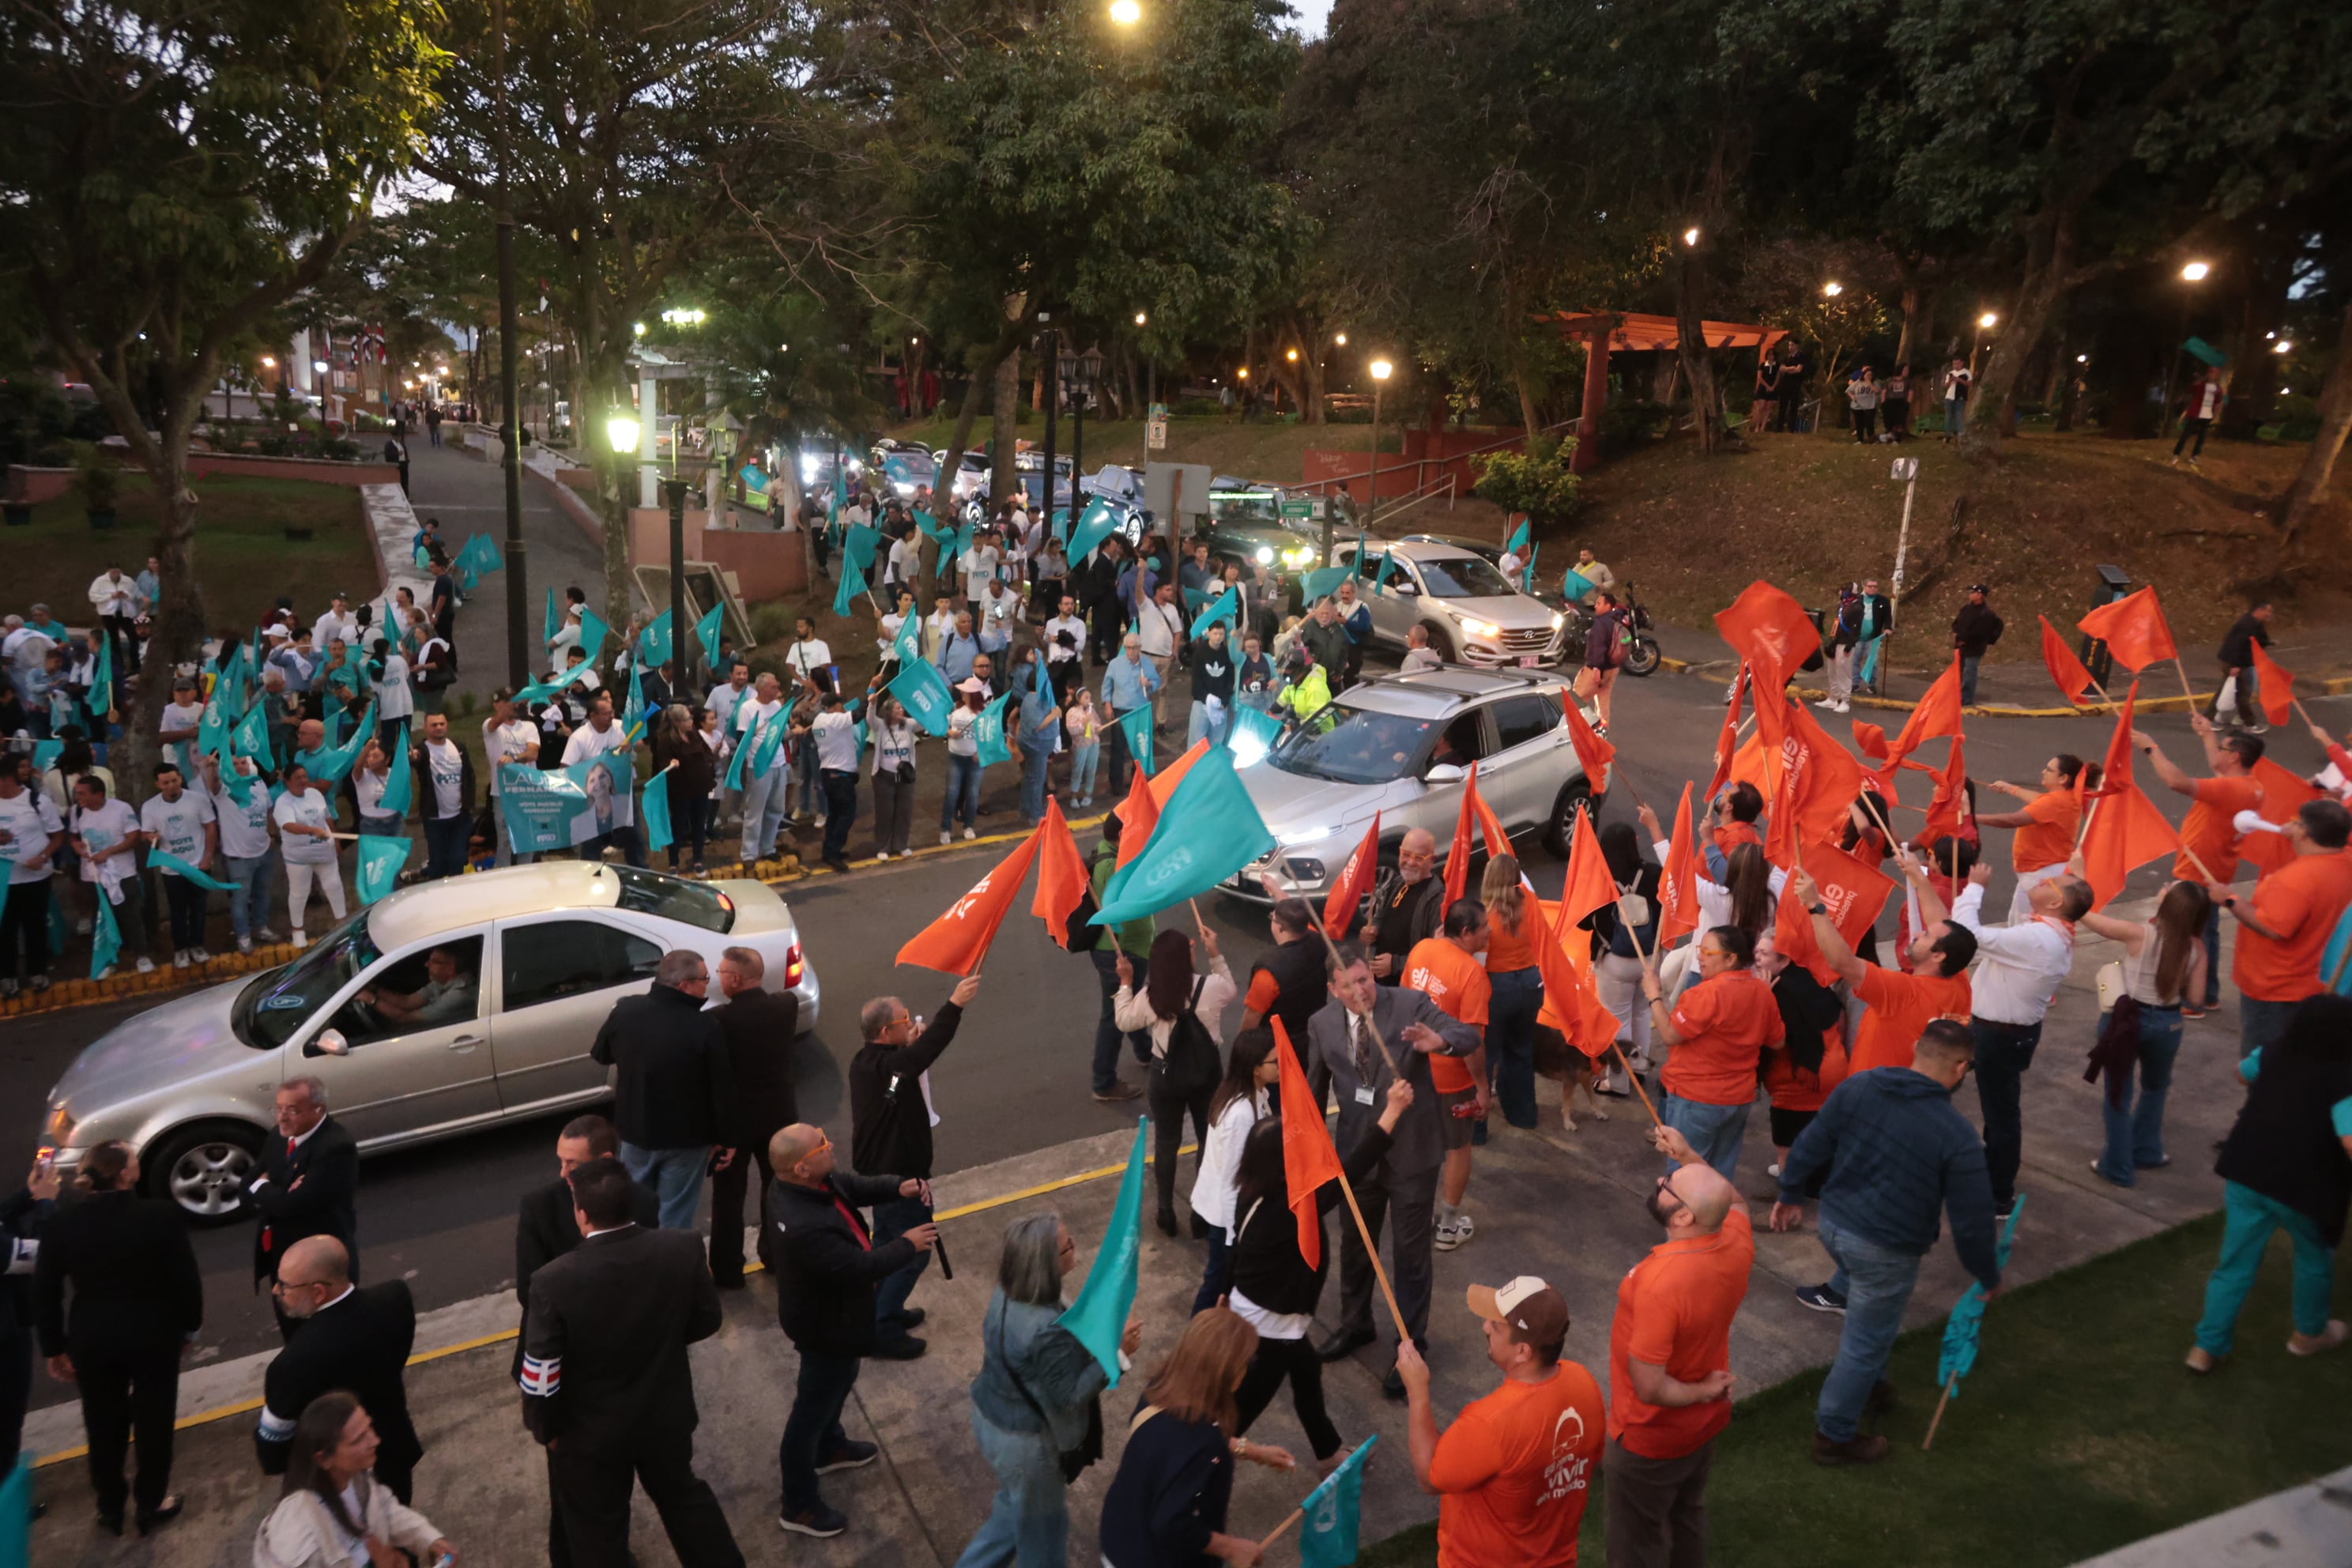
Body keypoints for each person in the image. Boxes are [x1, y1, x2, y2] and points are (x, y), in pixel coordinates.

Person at [1767, 1015, 2000, 1459]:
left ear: (1916, 1049)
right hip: (1885, 1248)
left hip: (1834, 1227)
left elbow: (1813, 1140)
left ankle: (1872, 1386)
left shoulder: (1861, 1086)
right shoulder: (1957, 1135)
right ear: (1961, 1068)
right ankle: (1834, 1435)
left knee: (1871, 1322)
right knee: (1865, 1340)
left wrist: (1791, 1192)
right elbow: (1971, 1220)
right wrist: (1987, 1275)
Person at [519, 1156, 745, 1567]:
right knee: (684, 1499)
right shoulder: (682, 1247)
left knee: (597, 1530)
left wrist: (545, 1428)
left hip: (591, 1435)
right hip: (665, 1416)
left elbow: (541, 1373)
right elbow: (707, 1319)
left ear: (581, 1214)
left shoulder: (553, 1281)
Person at [1308, 943, 1481, 1398]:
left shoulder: (1410, 1004)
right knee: (1355, 1246)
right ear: (1333, 990)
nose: (1361, 991)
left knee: (1410, 1255)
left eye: (1364, 980)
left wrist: (1438, 1042)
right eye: (1349, 986)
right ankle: (1355, 1324)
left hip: (1411, 1154)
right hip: (1359, 1155)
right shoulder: (1321, 1024)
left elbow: (1467, 1035)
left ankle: (1411, 1347)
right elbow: (1313, 1094)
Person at [1227, 1076, 1412, 1473]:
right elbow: (1351, 1171)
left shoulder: (1254, 1191)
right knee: (1238, 1415)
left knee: (1307, 1372)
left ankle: (1328, 1452)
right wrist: (1393, 1111)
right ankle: (1201, 1472)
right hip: (1269, 1328)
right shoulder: (1290, 1208)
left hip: (1270, 1318)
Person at [767, 1122, 937, 1536]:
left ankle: (830, 1446)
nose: (831, 1146)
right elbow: (859, 1266)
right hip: (827, 1329)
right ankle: (798, 1505)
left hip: (838, 1321)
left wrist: (897, 1187)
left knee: (839, 1383)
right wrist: (907, 1244)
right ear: (802, 1168)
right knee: (811, 1410)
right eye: (821, 1145)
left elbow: (850, 1186)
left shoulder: (807, 1185)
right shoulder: (806, 1226)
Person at [33, 1141, 202, 1535]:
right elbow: (185, 1280)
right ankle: (150, 1503)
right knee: (154, 1422)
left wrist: (54, 1347)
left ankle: (109, 1507)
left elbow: (46, 1292)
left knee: (102, 1424)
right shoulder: (160, 1216)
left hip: (92, 1337)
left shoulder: (62, 1224)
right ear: (126, 1173)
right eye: (134, 1158)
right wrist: (189, 1327)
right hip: (153, 1333)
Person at [1605, 1125, 1751, 1568]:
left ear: (1684, 1217)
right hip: (1702, 1428)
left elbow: (1649, 1387)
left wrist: (1704, 1390)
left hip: (1651, 1437)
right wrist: (1687, 1156)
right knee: (1687, 1513)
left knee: (1637, 1543)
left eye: (1668, 1185)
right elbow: (1735, 1201)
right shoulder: (1736, 1240)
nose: (1659, 1180)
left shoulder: (1660, 1284)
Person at [955, 1212, 1135, 1568]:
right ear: (1045, 1265)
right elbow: (1069, 1395)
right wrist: (1117, 1354)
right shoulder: (1045, 1327)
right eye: (1068, 1246)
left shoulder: (1010, 1292)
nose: (1075, 1248)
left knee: (1013, 1512)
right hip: (1026, 1447)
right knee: (1045, 1541)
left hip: (992, 1418)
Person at [2188, 996, 2352, 1370]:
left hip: (2248, 1170)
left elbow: (2242, 1073)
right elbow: (2349, 1140)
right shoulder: (2344, 1077)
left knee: (2234, 1263)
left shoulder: (2275, 1052)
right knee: (2313, 1258)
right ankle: (2309, 1334)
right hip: (2306, 1186)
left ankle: (2206, 1346)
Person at [1395, 1276, 1604, 1568]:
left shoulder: (1489, 1422)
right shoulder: (1584, 1382)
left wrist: (1417, 1391)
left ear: (1523, 1351)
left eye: (1496, 1325)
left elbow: (1431, 1479)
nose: (1485, 1327)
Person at [1947, 859, 2092, 1221]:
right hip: (2003, 1033)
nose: (2041, 883)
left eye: (2049, 884)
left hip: (1997, 1036)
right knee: (1999, 1112)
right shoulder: (2046, 933)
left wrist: (1975, 887)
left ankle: (1997, 1194)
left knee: (2000, 1116)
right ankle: (1990, 1173)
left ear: (2056, 902)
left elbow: (1966, 934)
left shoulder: (2038, 938)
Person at [1099, 1308, 1295, 1568]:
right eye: (1246, 1363)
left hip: (1120, 1534)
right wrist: (1232, 1548)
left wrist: (1252, 1451)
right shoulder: (1204, 1444)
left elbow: (1179, 1448)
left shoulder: (1160, 1390)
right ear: (1228, 1375)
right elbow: (1171, 1522)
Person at [850, 976, 980, 1354]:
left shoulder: (871, 1065)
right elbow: (924, 1054)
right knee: (913, 1252)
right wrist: (954, 1004)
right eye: (904, 1020)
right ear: (885, 1031)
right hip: (900, 1177)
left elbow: (894, 1090)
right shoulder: (891, 1067)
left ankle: (881, 1309)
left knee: (886, 1245)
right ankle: (883, 1328)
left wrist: (909, 1046)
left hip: (882, 1173)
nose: (910, 1023)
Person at [254, 1236, 422, 1502]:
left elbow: (273, 1452)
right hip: (395, 1455)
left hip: (340, 1484)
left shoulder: (292, 1364)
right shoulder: (395, 1298)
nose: (276, 1290)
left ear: (318, 1292)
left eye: (284, 1286)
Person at [2075, 877, 2209, 1187]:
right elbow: (2197, 998)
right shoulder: (2197, 948)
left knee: (2118, 1095)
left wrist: (2077, 883)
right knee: (2156, 1087)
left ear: (2169, 905)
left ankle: (2118, 1167)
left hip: (2129, 1022)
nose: (2164, 886)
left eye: (2169, 888)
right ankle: (2146, 1150)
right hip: (2168, 1024)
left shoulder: (2140, 934)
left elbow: (2090, 918)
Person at [590, 949, 733, 1230]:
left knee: (634, 1209)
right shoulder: (705, 1027)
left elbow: (601, 1054)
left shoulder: (626, 1011)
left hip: (636, 1132)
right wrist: (727, 1138)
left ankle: (638, 1254)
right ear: (685, 985)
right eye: (704, 979)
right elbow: (722, 1089)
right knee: (675, 1214)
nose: (707, 985)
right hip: (688, 1140)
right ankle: (670, 1257)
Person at [1797, 850, 1977, 1074]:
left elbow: (1842, 962)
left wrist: (1815, 905)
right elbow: (1942, 925)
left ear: (1938, 956)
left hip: (1877, 1091)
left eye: (1926, 935)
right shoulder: (1959, 981)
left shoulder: (1902, 993)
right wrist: (1918, 877)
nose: (1918, 934)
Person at [1116, 925, 1238, 1237]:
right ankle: (1201, 1212)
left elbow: (1124, 1020)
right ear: (1187, 958)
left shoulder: (1151, 996)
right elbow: (1230, 988)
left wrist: (1126, 982)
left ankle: (1166, 1211)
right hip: (1206, 1075)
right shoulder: (1210, 987)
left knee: (1167, 1143)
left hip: (1165, 1076)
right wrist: (1214, 952)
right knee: (1207, 1140)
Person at [2207, 798, 2352, 1060]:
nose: (2290, 824)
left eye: (2296, 822)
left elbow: (2272, 928)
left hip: (2276, 989)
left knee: (2265, 1063)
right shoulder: (2344, 861)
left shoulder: (2296, 881)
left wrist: (2230, 900)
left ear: (2305, 832)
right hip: (2317, 983)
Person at [2138, 716, 2263, 1013]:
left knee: (2191, 936)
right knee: (2207, 933)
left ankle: (2194, 998)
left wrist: (2151, 748)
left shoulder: (2231, 789)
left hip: (2198, 871)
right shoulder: (2250, 787)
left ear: (2234, 756)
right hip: (2216, 870)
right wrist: (2208, 736)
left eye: (2222, 748)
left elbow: (2176, 782)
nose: (2217, 752)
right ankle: (2208, 994)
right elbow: (2219, 772)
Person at [1641, 925, 1783, 1183]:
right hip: (1738, 1099)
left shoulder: (1705, 994)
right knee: (1720, 1175)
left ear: (1731, 959)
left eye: (1708, 952)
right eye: (1700, 949)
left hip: (1697, 1098)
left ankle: (1687, 1210)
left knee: (1685, 1177)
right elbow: (1778, 1041)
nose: (1700, 957)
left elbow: (1670, 1034)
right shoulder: (1762, 991)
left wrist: (1654, 996)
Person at [252, 1391, 456, 1568]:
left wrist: (429, 1540)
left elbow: (384, 1509)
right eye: (359, 1439)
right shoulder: (299, 1539)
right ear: (324, 1458)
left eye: (369, 1428)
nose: (375, 1441)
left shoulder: (355, 1478)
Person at [1404, 899, 1494, 1250]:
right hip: (1453, 1082)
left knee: (1419, 1148)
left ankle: (1419, 1215)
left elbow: (1403, 1003)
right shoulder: (1472, 974)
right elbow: (1472, 1042)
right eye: (1485, 926)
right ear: (1467, 932)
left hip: (1415, 1071)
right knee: (1458, 1148)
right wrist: (1482, 1087)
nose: (1490, 931)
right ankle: (1448, 1225)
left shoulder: (1422, 949)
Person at [708, 947, 798, 1287]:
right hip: (780, 1115)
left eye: (721, 973)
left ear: (734, 979)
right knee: (778, 1189)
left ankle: (727, 1270)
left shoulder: (719, 1021)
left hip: (736, 1123)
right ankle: (774, 1256)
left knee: (729, 1198)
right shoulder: (786, 1006)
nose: (718, 978)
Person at [251, 1077, 360, 1340]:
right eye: (278, 1108)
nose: (282, 1117)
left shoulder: (336, 1147)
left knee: (331, 1335)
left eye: (292, 1110)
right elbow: (246, 1186)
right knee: (293, 1332)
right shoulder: (278, 1137)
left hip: (318, 1262)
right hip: (283, 1258)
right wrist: (278, 1192)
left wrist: (264, 1187)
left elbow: (292, 1205)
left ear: (318, 1109)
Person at [1190, 1029, 1280, 1314]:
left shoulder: (1251, 1095)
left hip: (1227, 1214)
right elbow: (1232, 1180)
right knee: (1217, 1285)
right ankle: (1197, 1333)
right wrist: (1234, 1234)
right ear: (1255, 1069)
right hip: (1226, 1220)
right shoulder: (1240, 1115)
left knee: (1220, 1283)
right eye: (1275, 1062)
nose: (1281, 1066)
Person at [1086, 819, 1158, 1102]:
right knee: (1114, 1017)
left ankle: (1145, 1051)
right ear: (1120, 834)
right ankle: (1103, 1083)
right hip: (1121, 953)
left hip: (1127, 949)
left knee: (1133, 999)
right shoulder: (1112, 867)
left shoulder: (1110, 851)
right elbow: (1136, 901)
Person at [1977, 752, 2086, 922]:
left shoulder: (2054, 803)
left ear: (2063, 778)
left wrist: (1972, 818)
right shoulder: (2066, 798)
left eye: (2049, 770)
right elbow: (2039, 799)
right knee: (2019, 921)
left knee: (2025, 924)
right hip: (2045, 870)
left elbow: (2012, 820)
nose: (2043, 772)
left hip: (2041, 872)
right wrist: (2010, 788)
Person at [70, 771, 153, 974]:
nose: (78, 798)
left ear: (98, 794)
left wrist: (108, 852)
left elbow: (133, 838)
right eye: (77, 793)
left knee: (131, 915)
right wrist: (77, 847)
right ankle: (107, 960)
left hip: (123, 873)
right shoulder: (77, 812)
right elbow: (73, 836)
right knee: (101, 918)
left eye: (82, 793)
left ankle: (141, 955)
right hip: (93, 876)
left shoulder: (121, 809)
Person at [0, 754, 66, 995]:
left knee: (34, 926)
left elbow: (58, 836)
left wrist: (43, 857)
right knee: (4, 929)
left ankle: (37, 973)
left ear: (7, 779)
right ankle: (7, 977)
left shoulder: (37, 801)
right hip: (3, 880)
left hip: (34, 879)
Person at [271, 762, 345, 945]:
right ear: (287, 781)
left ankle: (342, 923)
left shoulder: (315, 794)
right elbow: (288, 826)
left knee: (334, 885)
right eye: (298, 778)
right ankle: (297, 930)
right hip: (298, 857)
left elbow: (328, 818)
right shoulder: (283, 802)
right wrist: (311, 830)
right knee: (300, 892)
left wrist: (336, 840)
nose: (303, 780)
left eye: (305, 776)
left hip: (324, 851)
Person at [1360, 827, 1446, 982]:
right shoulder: (1397, 882)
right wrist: (1372, 932)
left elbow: (1436, 954)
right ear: (1400, 852)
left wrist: (1395, 965)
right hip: (1381, 981)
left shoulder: (1437, 899)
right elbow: (1380, 918)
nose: (1410, 862)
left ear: (1432, 860)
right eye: (1406, 854)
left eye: (1419, 858)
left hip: (1408, 986)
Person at [734, 672, 790, 864]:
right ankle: (749, 853)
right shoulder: (748, 708)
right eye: (773, 687)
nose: (777, 690)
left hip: (779, 762)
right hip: (759, 765)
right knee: (755, 811)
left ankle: (768, 847)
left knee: (776, 809)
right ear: (762, 688)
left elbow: (782, 733)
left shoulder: (777, 706)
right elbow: (742, 738)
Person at [1099, 633, 1163, 797]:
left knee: (1140, 748)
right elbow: (1107, 686)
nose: (1130, 651)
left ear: (1139, 648)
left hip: (1140, 711)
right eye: (1127, 648)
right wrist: (1108, 705)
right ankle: (1116, 783)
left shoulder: (1147, 664)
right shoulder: (1115, 664)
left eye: (1134, 648)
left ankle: (1137, 780)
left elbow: (1158, 682)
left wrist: (1149, 683)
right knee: (1118, 748)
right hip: (1121, 710)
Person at [868, 692, 919, 859]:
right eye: (897, 708)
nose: (901, 710)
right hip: (884, 777)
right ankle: (883, 847)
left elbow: (925, 722)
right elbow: (870, 719)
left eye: (902, 707)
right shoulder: (880, 726)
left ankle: (901, 844)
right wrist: (872, 704)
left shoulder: (909, 725)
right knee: (885, 813)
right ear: (889, 711)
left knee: (904, 812)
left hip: (905, 777)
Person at [2213, 599, 2275, 733]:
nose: (2270, 614)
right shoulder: (2247, 625)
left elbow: (2260, 639)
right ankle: (2250, 724)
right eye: (2268, 611)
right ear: (2259, 610)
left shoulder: (2256, 623)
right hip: (2236, 662)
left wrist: (2269, 643)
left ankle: (2214, 719)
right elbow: (2237, 645)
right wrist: (2235, 665)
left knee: (2229, 691)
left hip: (2240, 662)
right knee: (2242, 694)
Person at [1016, 647, 1061, 826]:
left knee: (1030, 777)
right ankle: (1035, 814)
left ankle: (1025, 808)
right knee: (1037, 780)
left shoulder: (1031, 698)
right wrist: (1054, 714)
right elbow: (1038, 725)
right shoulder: (1034, 701)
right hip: (1037, 746)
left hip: (1034, 744)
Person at [941, 675, 986, 842]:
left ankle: (969, 826)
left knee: (973, 794)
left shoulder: (983, 714)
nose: (962, 694)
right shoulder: (955, 708)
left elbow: (988, 736)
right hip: (956, 757)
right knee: (952, 793)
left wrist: (981, 752)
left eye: (965, 692)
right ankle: (946, 829)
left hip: (975, 760)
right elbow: (942, 726)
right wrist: (949, 733)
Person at [1578, 592, 1629, 730]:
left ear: (1608, 606)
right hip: (1613, 668)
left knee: (1574, 700)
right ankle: (1602, 733)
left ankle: (1570, 733)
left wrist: (1597, 669)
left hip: (1598, 669)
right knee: (1603, 703)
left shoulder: (1601, 623)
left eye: (1599, 603)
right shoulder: (1617, 620)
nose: (1596, 606)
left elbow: (1599, 647)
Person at [1949, 583, 2003, 707]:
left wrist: (1965, 639)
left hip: (1975, 647)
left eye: (1973, 593)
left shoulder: (1986, 614)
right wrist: (1957, 634)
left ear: (1980, 595)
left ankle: (1967, 697)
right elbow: (1957, 623)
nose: (1970, 595)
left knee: (1970, 671)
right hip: (1961, 646)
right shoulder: (1966, 609)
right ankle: (1956, 694)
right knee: (1958, 671)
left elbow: (1980, 631)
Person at [2172, 364, 2226, 469]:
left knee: (2201, 438)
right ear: (2208, 374)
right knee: (2186, 435)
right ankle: (2176, 454)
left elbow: (2218, 401)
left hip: (2207, 416)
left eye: (2215, 373)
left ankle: (2194, 456)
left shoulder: (2218, 389)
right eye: (2211, 372)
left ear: (2217, 375)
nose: (2213, 375)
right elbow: (2191, 389)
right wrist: (2199, 381)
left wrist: (2215, 413)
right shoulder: (2201, 385)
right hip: (2195, 414)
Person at [1064, 688, 1102, 808]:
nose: (1089, 700)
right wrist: (1083, 724)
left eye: (1090, 698)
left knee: (1091, 769)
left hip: (1094, 743)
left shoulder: (1091, 710)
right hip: (1081, 744)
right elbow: (1072, 730)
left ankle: (1088, 794)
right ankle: (1073, 796)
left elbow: (1097, 722)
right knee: (1078, 769)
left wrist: (1098, 728)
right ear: (1078, 698)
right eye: (1086, 698)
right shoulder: (1072, 712)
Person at [1939, 356, 1970, 440]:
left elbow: (1969, 384)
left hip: (1960, 398)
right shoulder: (1950, 373)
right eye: (1954, 364)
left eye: (1958, 364)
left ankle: (1960, 436)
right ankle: (1947, 435)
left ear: (1962, 363)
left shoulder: (1966, 373)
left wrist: (1959, 380)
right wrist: (1950, 380)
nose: (1956, 366)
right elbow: (1946, 386)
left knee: (1959, 416)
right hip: (1949, 397)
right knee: (1948, 417)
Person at [1846, 366, 1881, 442]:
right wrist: (1852, 396)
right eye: (1867, 374)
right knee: (1859, 424)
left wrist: (1869, 382)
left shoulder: (1875, 383)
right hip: (1858, 406)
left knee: (1869, 424)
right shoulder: (1858, 382)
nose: (1869, 376)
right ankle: (1860, 440)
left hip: (1870, 406)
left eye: (1870, 375)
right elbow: (1848, 390)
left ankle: (1872, 439)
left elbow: (1877, 391)